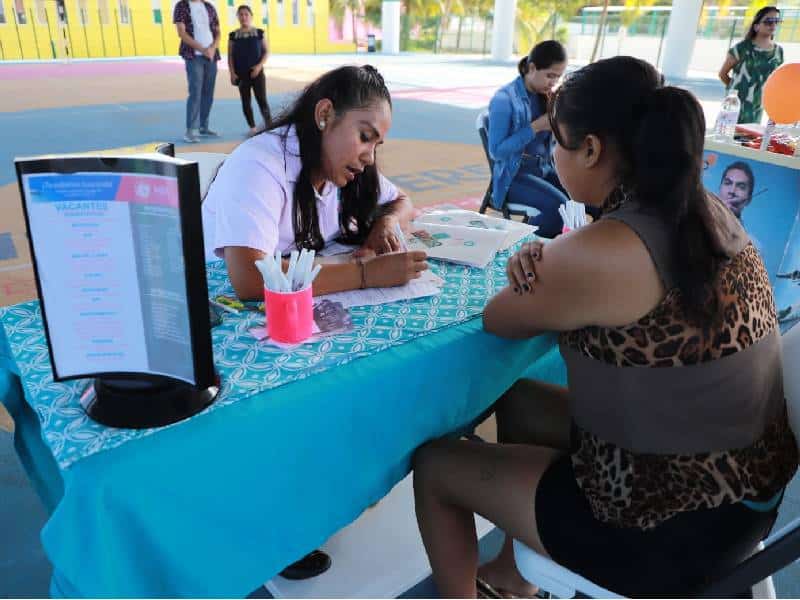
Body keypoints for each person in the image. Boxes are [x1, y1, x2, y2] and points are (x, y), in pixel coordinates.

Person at [413, 56, 798, 598]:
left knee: (436, 466)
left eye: (558, 143)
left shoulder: (609, 247)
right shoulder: (706, 211)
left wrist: (536, 264)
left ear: (591, 149)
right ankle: (511, 577)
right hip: (744, 500)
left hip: (664, 533)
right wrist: (561, 260)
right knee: (519, 399)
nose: (552, 154)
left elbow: (501, 318)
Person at [202, 64, 428, 301]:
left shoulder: (340, 167)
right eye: (364, 137)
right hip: (214, 302)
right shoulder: (258, 164)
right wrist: (366, 274)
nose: (369, 157)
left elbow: (402, 200)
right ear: (325, 115)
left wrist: (387, 223)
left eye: (375, 145)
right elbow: (251, 279)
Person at [487, 41, 568, 238]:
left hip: (543, 169)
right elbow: (496, 151)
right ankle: (525, 251)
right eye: (550, 75)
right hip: (513, 177)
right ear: (531, 68)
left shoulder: (546, 96)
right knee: (560, 208)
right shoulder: (504, 100)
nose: (553, 82)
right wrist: (536, 126)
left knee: (585, 198)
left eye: (558, 77)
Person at [719, 6, 784, 124]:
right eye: (768, 21)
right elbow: (723, 74)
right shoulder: (741, 48)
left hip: (757, 108)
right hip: (734, 106)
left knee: (749, 139)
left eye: (776, 21)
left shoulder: (778, 52)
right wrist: (735, 91)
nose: (773, 25)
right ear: (756, 26)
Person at [174, 0, 222, 143]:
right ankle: (190, 130)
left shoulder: (209, 6)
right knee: (195, 93)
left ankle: (203, 127)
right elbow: (181, 33)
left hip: (211, 56)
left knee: (208, 93)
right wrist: (203, 49)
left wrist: (212, 48)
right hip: (193, 56)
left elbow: (218, 31)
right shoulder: (182, 5)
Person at [228, 5, 272, 137]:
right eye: (240, 14)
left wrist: (258, 67)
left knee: (262, 100)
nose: (243, 17)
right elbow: (230, 56)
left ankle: (269, 126)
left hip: (257, 73)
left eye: (246, 14)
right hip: (241, 75)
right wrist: (232, 73)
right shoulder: (233, 35)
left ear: (251, 16)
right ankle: (252, 127)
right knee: (245, 101)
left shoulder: (259, 33)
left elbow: (266, 52)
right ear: (238, 17)